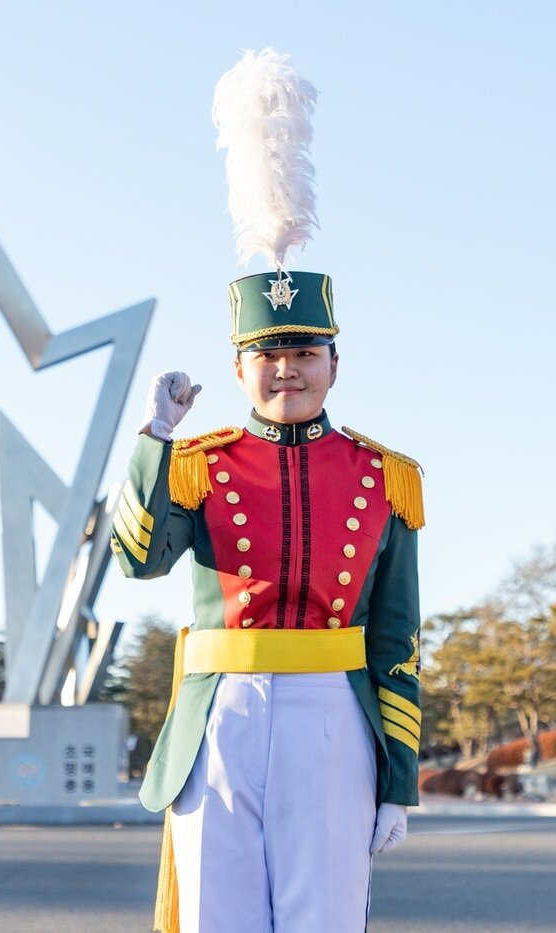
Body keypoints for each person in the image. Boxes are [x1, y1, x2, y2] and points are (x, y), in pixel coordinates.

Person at [110, 267, 424, 932]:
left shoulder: (384, 476)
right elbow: (138, 559)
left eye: (306, 353)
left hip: (334, 718)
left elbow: (396, 643)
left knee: (325, 918)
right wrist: (153, 440)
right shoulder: (199, 464)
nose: (288, 371)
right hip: (220, 716)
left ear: (334, 365)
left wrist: (398, 783)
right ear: (238, 367)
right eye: (268, 355)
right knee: (214, 915)